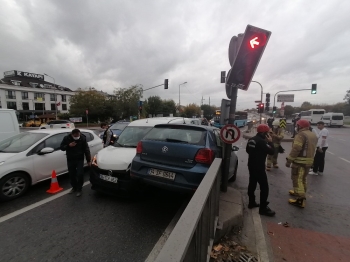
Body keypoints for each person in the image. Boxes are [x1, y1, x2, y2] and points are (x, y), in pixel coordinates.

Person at [285, 119, 317, 208]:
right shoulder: (312, 134)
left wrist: (289, 160)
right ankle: (299, 193)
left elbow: (296, 149)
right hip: (309, 161)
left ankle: (300, 199)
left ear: (300, 126)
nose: (296, 127)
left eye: (297, 125)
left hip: (300, 162)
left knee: (297, 179)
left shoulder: (301, 135)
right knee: (303, 179)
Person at [246, 124, 276, 216]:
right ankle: (263, 208)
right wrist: (270, 142)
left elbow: (248, 151)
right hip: (259, 167)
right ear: (264, 133)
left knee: (252, 183)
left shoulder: (251, 140)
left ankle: (251, 202)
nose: (268, 135)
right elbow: (271, 151)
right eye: (267, 133)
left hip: (251, 165)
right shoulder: (262, 142)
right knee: (264, 187)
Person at [60, 129, 91, 197]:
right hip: (70, 159)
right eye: (76, 135)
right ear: (72, 134)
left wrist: (88, 160)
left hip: (79, 159)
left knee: (80, 174)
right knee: (72, 174)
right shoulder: (67, 138)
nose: (78, 136)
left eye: (78, 134)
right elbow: (61, 147)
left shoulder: (82, 138)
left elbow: (86, 149)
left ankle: (79, 189)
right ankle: (74, 187)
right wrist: (68, 146)